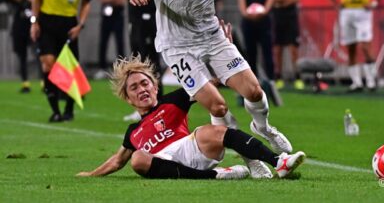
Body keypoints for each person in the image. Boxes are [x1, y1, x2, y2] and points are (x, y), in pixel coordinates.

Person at [119, 0, 326, 157]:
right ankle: (246, 156)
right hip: (177, 45)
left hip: (212, 37)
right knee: (217, 107)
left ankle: (263, 127)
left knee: (254, 91)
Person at [76, 56, 306, 180]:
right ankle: (215, 175)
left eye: (145, 83)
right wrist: (90, 174)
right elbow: (117, 162)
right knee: (137, 159)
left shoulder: (173, 100)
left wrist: (223, 57)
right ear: (128, 98)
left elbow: (209, 83)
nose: (142, 89)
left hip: (190, 149)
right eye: (134, 88)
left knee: (210, 130)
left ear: (155, 86)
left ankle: (279, 162)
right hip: (161, 162)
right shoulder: (133, 131)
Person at [30, 0, 93, 122]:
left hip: (68, 24)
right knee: (48, 63)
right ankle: (55, 110)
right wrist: (34, 21)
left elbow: (86, 2)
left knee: (68, 68)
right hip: (47, 21)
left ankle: (69, 109)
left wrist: (80, 25)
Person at [325, 0, 384, 92]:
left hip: (363, 12)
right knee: (351, 48)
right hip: (347, 12)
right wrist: (337, 4)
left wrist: (374, 2)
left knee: (365, 46)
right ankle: (357, 82)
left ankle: (371, 81)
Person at [123, 0, 164, 122]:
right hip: (136, 20)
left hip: (150, 20)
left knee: (151, 64)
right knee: (139, 62)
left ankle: (158, 105)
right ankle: (145, 106)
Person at [237, 0, 278, 98]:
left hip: (264, 21)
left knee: (267, 52)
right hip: (248, 22)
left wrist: (264, 11)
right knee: (250, 54)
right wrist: (246, 13)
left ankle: (271, 83)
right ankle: (252, 84)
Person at [5, 0, 37, 93]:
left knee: (42, 55)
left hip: (35, 25)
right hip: (20, 26)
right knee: (21, 55)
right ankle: (25, 83)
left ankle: (45, 83)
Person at [271, 0, 304, 90]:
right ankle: (278, 77)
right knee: (277, 49)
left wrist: (281, 0)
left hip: (291, 18)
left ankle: (298, 77)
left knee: (293, 49)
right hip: (277, 18)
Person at [95, 0, 125, 78]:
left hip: (118, 18)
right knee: (103, 42)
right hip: (106, 18)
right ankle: (101, 68)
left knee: (119, 43)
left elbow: (121, 1)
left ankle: (121, 69)